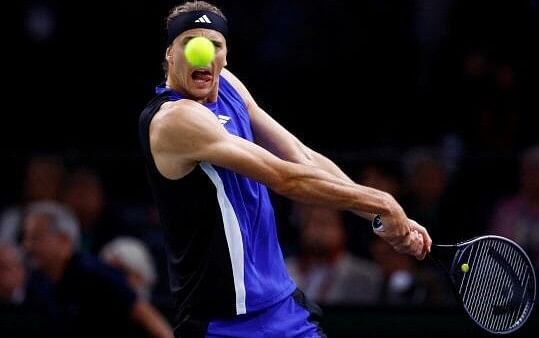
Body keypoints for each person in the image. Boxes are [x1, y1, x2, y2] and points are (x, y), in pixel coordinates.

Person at [138, 1, 431, 337]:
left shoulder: (229, 86)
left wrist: (386, 217)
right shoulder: (174, 120)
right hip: (222, 323)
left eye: (214, 45)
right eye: (189, 43)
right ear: (169, 55)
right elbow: (283, 177)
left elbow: (301, 157)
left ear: (225, 56)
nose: (203, 54)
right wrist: (382, 202)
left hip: (282, 306)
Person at [21, 201, 173, 338]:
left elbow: (147, 316)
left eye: (36, 238)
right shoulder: (36, 282)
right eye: (26, 238)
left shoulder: (95, 275)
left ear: (64, 239)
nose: (27, 246)